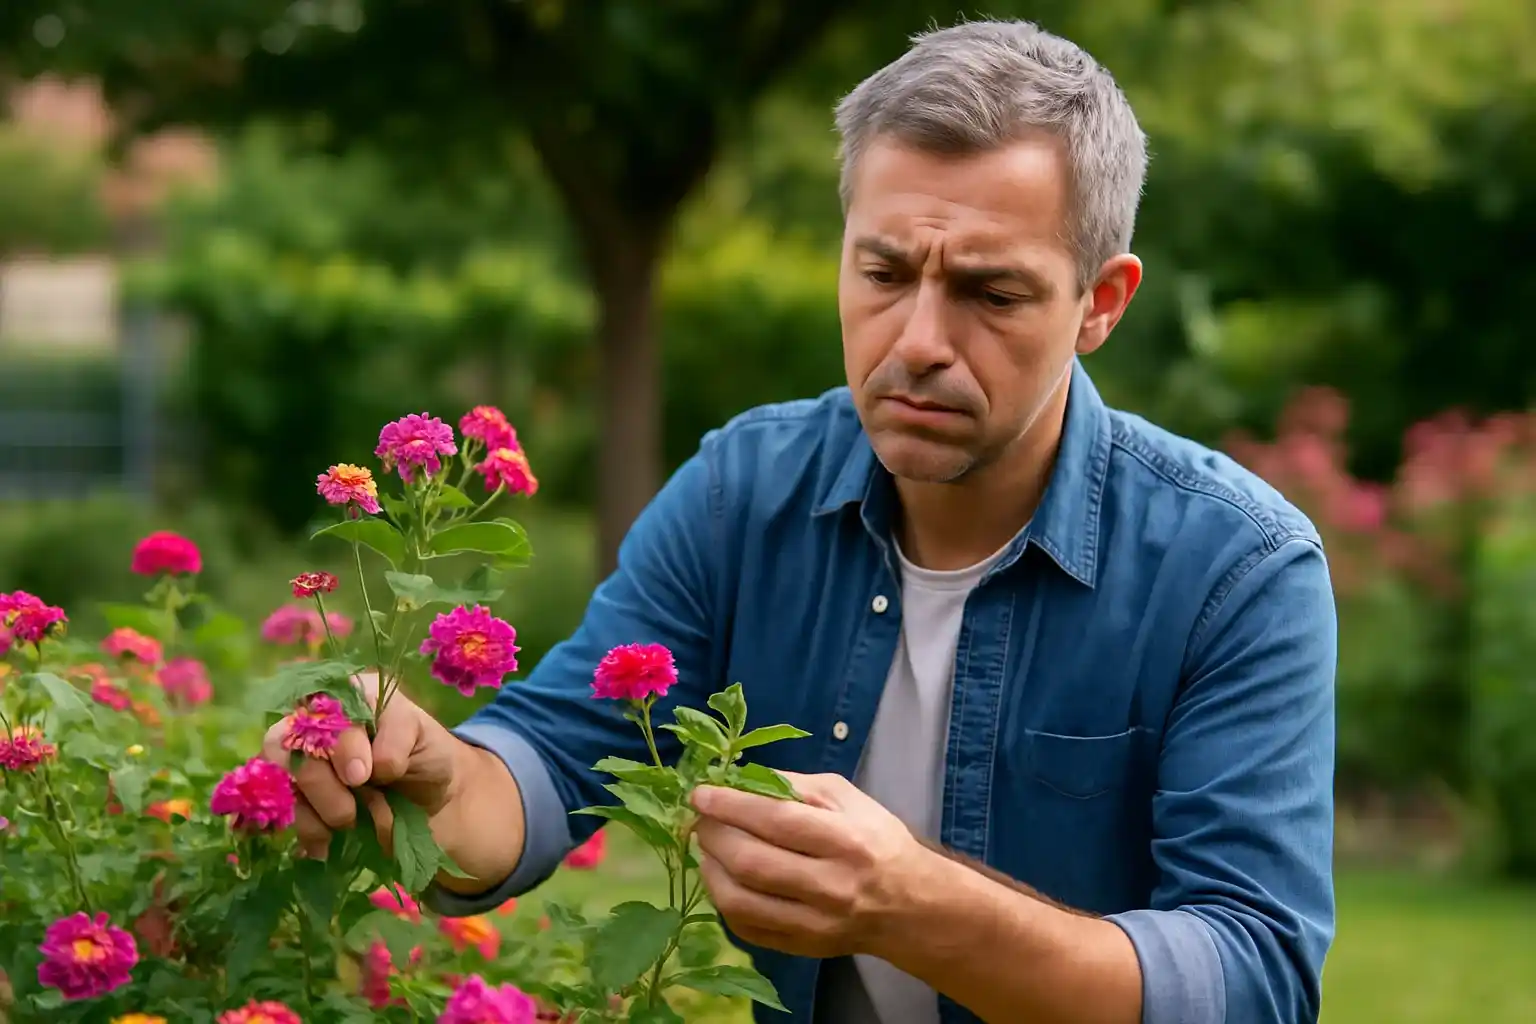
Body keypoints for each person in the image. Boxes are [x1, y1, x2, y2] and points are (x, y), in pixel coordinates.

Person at [263, 18, 1336, 1024]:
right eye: (882, 271)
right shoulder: (746, 491)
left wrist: (915, 904)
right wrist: (438, 781)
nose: (918, 338)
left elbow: (1252, 972)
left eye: (991, 294)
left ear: (1101, 302)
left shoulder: (1236, 567)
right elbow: (549, 763)